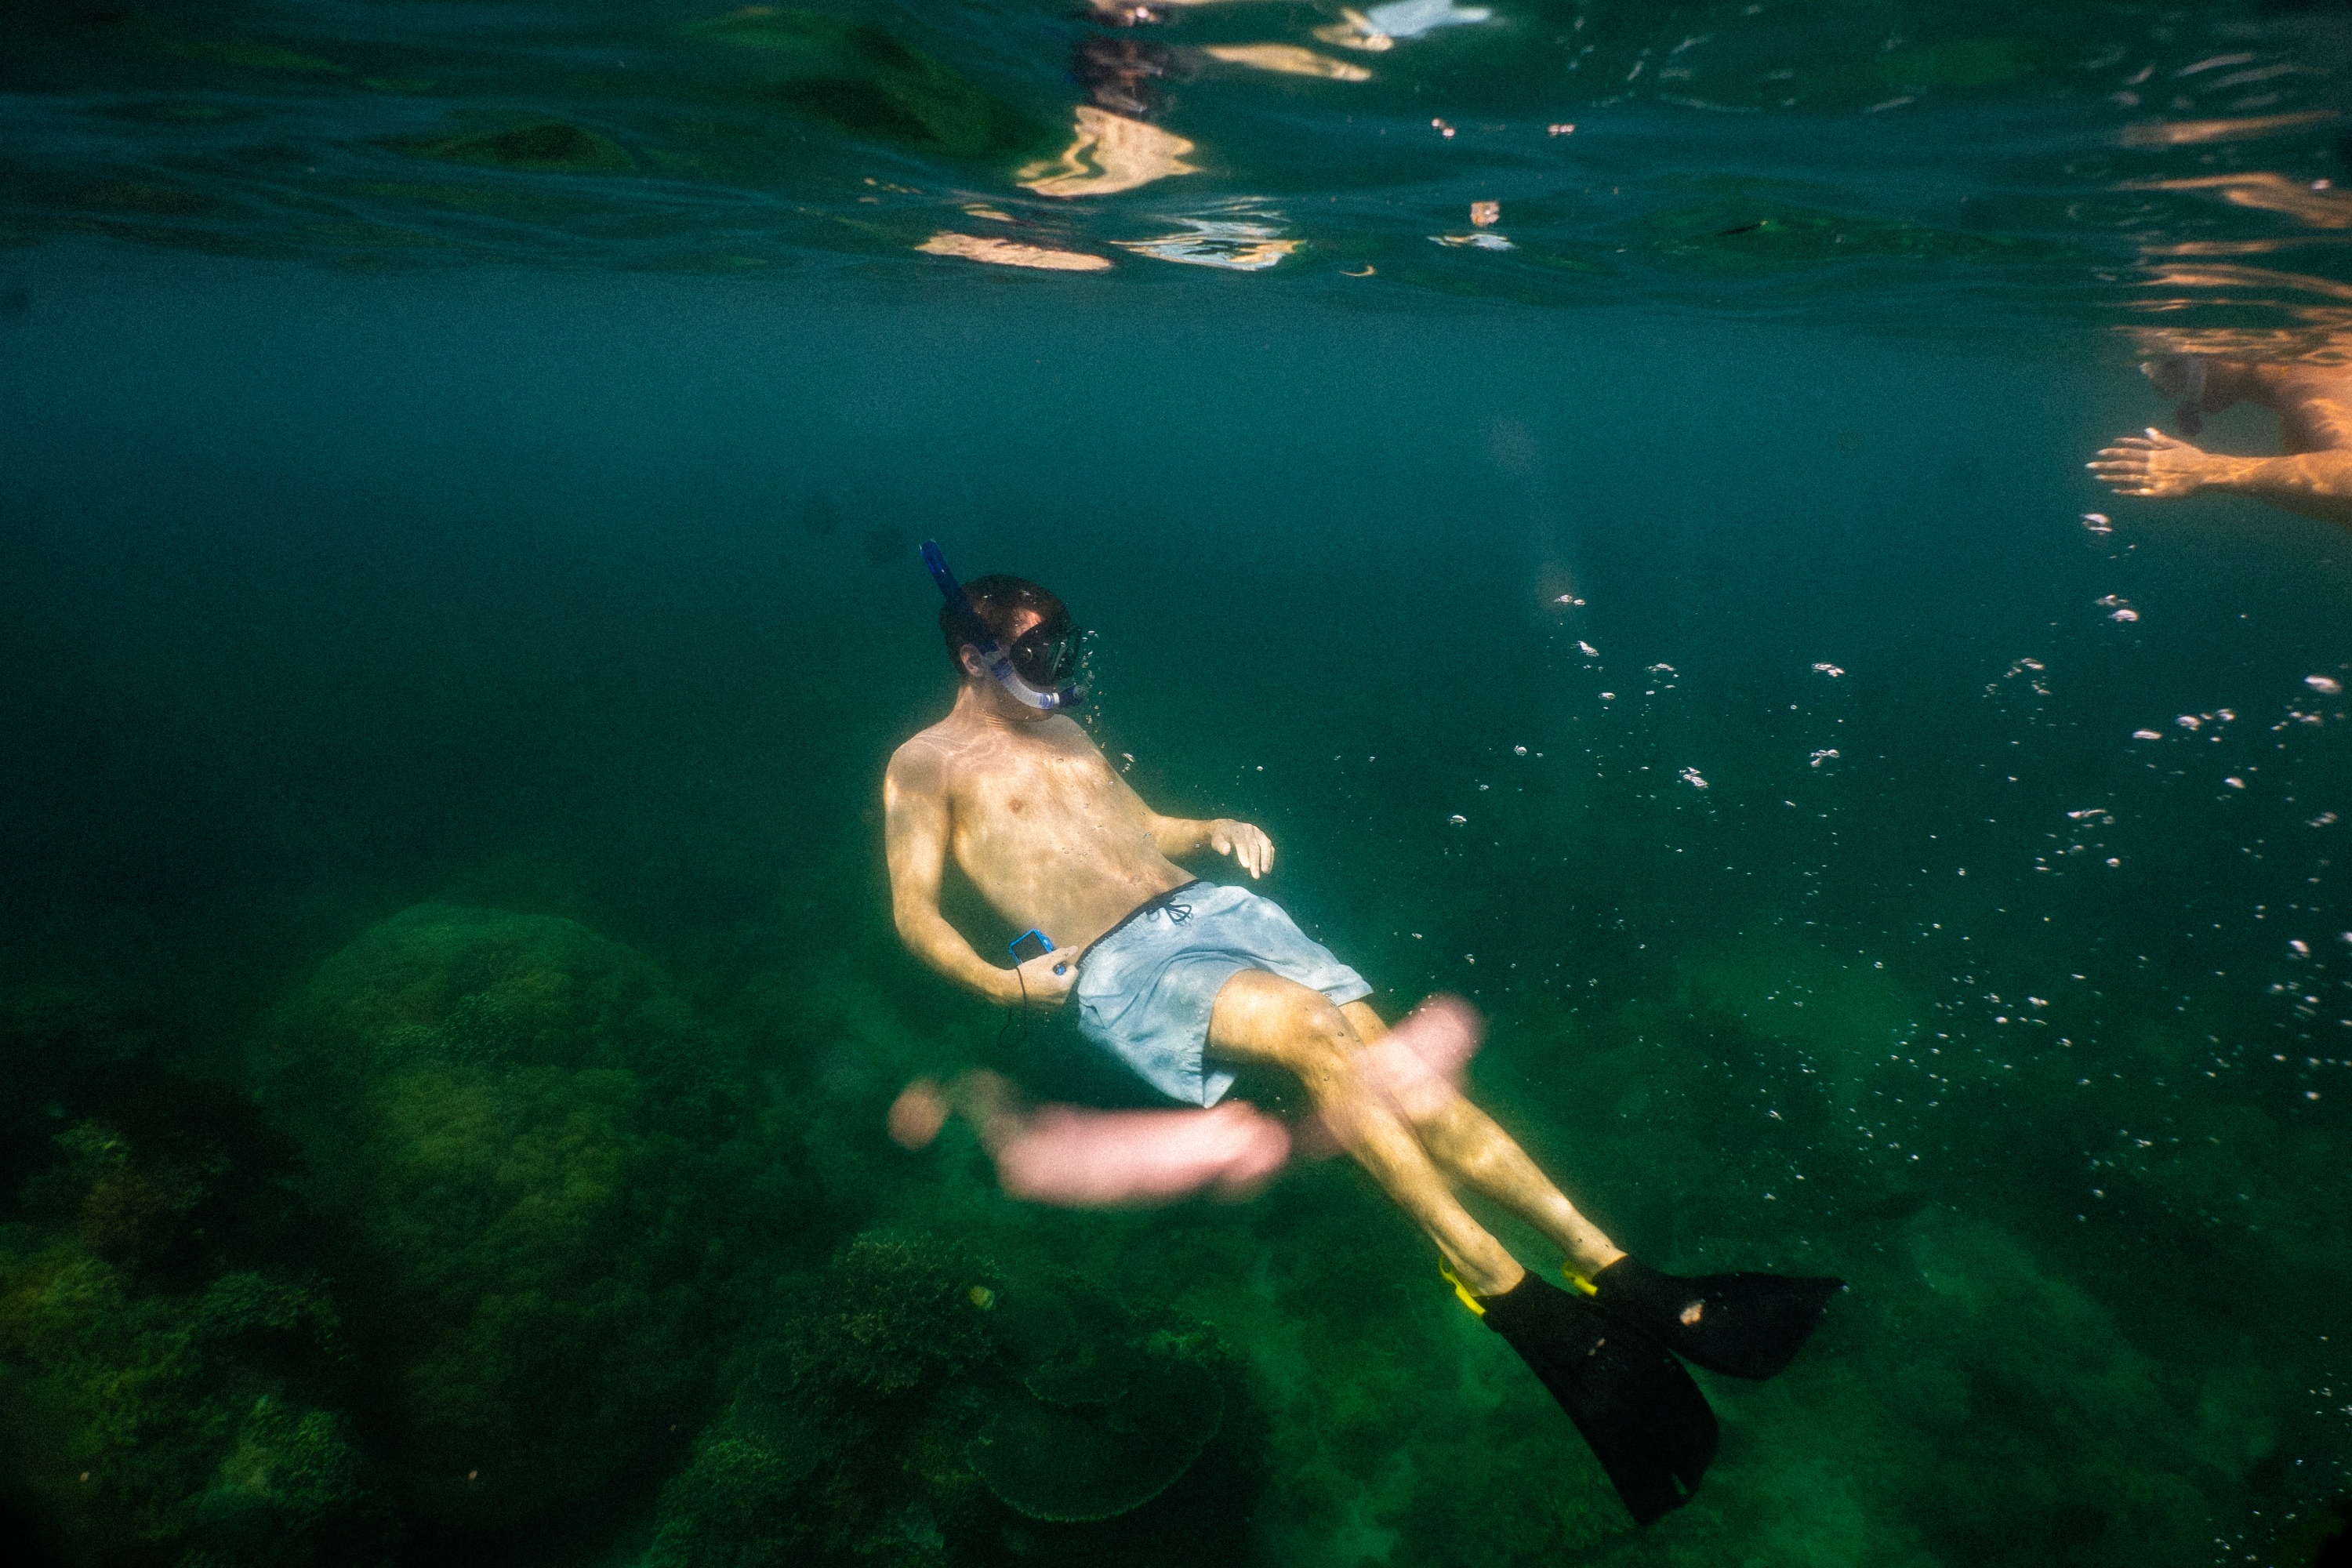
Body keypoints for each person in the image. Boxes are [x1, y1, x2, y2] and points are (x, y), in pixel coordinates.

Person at [880, 546, 1843, 1524]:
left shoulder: (1067, 735)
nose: (1056, 668)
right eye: (1035, 652)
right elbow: (916, 911)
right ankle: (1490, 1273)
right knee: (1310, 1030)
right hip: (1124, 968)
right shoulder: (924, 766)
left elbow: (1140, 827)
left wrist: (1213, 823)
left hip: (1214, 913)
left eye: (1060, 646)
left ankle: (1609, 1266)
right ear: (974, 658)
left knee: (1398, 1072)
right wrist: (1002, 982)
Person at [2088, 355, 2352, 528]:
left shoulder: (2310, 382)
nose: (2166, 390)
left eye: (2173, 365)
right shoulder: (2301, 382)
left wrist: (2208, 470)